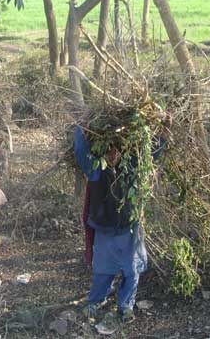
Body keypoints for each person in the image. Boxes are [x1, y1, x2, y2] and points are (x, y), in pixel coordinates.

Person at [74, 124, 167, 322]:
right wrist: (79, 128)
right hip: (105, 230)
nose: (113, 154)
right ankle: (95, 302)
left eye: (117, 150)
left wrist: (163, 134)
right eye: (109, 150)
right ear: (102, 152)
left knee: (132, 271)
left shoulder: (131, 168)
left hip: (129, 229)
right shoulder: (96, 169)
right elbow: (81, 153)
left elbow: (153, 154)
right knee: (103, 272)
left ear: (123, 151)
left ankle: (125, 306)